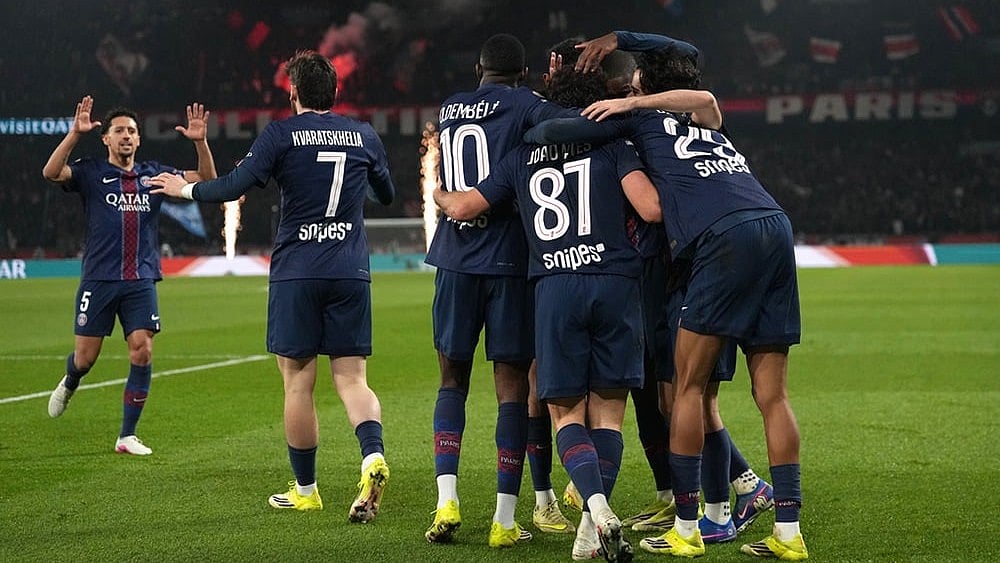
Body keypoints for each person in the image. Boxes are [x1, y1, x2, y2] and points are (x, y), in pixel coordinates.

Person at [525, 49, 808, 560]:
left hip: (719, 238)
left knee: (687, 391)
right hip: (773, 223)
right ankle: (788, 532)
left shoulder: (636, 125)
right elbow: (704, 96)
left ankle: (687, 526)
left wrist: (614, 108)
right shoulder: (702, 123)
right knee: (773, 395)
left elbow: (550, 136)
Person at [149, 50, 395, 523]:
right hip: (350, 269)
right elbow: (384, 194)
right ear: (335, 92)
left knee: (298, 382)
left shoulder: (281, 135)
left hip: (298, 270)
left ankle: (307, 490)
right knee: (352, 378)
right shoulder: (363, 134)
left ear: (294, 92)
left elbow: (234, 185)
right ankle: (371, 456)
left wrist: (183, 189)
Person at [436, 65, 660, 563]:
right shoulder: (614, 145)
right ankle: (588, 529)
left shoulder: (520, 156)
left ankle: (596, 513)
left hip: (554, 288)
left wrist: (439, 194)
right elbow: (651, 209)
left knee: (564, 415)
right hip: (616, 285)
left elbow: (469, 205)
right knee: (609, 416)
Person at [572, 33, 777, 539]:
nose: (631, 80)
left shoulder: (656, 120)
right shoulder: (672, 124)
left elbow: (697, 96)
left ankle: (717, 507)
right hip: (687, 267)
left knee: (690, 397)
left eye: (638, 77)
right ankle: (727, 494)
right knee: (677, 398)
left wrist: (622, 59)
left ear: (646, 85)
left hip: (691, 269)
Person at [423, 33, 580, 548]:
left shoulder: (449, 108)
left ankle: (446, 500)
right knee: (512, 391)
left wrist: (443, 195)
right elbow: (566, 129)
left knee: (451, 382)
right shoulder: (528, 104)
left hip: (454, 259)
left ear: (478, 69)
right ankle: (505, 521)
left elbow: (448, 175)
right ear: (523, 73)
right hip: (511, 260)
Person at [43, 95, 217, 456]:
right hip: (99, 280)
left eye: (132, 131)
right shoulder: (91, 172)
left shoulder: (154, 175)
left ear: (138, 140)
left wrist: (200, 142)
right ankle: (71, 379)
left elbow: (205, 179)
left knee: (142, 350)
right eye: (119, 130)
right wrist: (74, 134)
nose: (127, 136)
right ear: (105, 138)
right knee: (85, 358)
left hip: (141, 280)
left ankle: (126, 435)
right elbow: (51, 172)